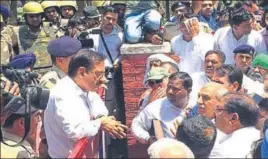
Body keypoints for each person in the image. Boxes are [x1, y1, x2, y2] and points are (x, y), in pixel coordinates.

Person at [44, 50, 128, 158]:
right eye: (98, 74)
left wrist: (101, 117)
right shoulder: (63, 94)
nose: (103, 80)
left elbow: (97, 103)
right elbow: (74, 131)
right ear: (82, 72)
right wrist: (100, 123)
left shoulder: (83, 87)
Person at [131, 72, 192, 144]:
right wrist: (148, 138)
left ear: (188, 91)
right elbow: (136, 125)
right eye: (169, 87)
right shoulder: (156, 107)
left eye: (175, 89)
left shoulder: (198, 104)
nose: (170, 92)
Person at [10, 2, 56, 74]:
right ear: (25, 17)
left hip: (49, 73)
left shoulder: (51, 30)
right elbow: (14, 54)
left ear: (41, 16)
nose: (35, 19)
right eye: (31, 16)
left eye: (37, 16)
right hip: (27, 73)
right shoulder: (17, 32)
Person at [214, 92, 260, 157]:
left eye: (218, 109)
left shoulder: (224, 150)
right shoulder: (261, 139)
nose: (214, 113)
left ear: (233, 118)